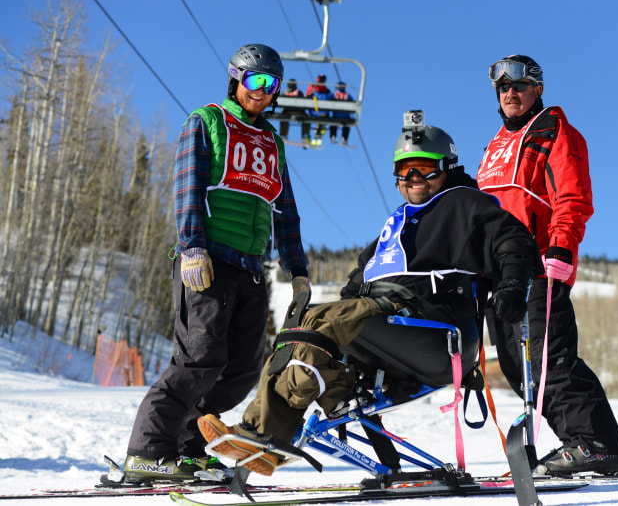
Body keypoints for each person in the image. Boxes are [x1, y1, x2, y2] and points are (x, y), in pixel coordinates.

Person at [196, 113, 542, 477]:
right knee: (303, 322)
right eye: (404, 172)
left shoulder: (465, 204)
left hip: (439, 333)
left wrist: (513, 285)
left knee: (322, 321)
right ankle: (287, 427)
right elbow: (358, 279)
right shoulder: (400, 221)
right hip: (391, 326)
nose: (413, 180)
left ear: (445, 167)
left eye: (423, 170)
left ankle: (263, 434)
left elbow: (513, 241)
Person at [123, 43, 311, 483]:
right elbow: (186, 186)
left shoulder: (273, 143)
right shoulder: (207, 121)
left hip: (250, 267)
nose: (262, 91)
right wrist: (191, 247)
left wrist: (297, 269)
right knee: (199, 359)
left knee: (244, 366)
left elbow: (285, 211)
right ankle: (147, 452)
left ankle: (189, 448)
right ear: (236, 79)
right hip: (207, 261)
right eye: (254, 81)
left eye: (272, 84)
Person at [476, 54, 618, 475]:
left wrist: (560, 248)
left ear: (537, 88)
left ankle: (596, 443)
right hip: (498, 277)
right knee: (516, 367)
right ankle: (585, 444)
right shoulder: (493, 147)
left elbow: (573, 197)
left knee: (549, 362)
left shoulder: (553, 131)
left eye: (519, 86)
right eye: (503, 87)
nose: (510, 93)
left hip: (538, 267)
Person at [304, 73, 332, 146]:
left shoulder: (314, 88)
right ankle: (317, 134)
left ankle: (309, 135)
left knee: (309, 119)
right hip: (321, 112)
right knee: (322, 120)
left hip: (315, 111)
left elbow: (307, 96)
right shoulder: (324, 91)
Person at [278, 79, 309, 143]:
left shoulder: (285, 93)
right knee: (306, 119)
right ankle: (305, 135)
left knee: (283, 118)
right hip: (296, 111)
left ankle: (283, 134)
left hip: (289, 111)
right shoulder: (298, 93)